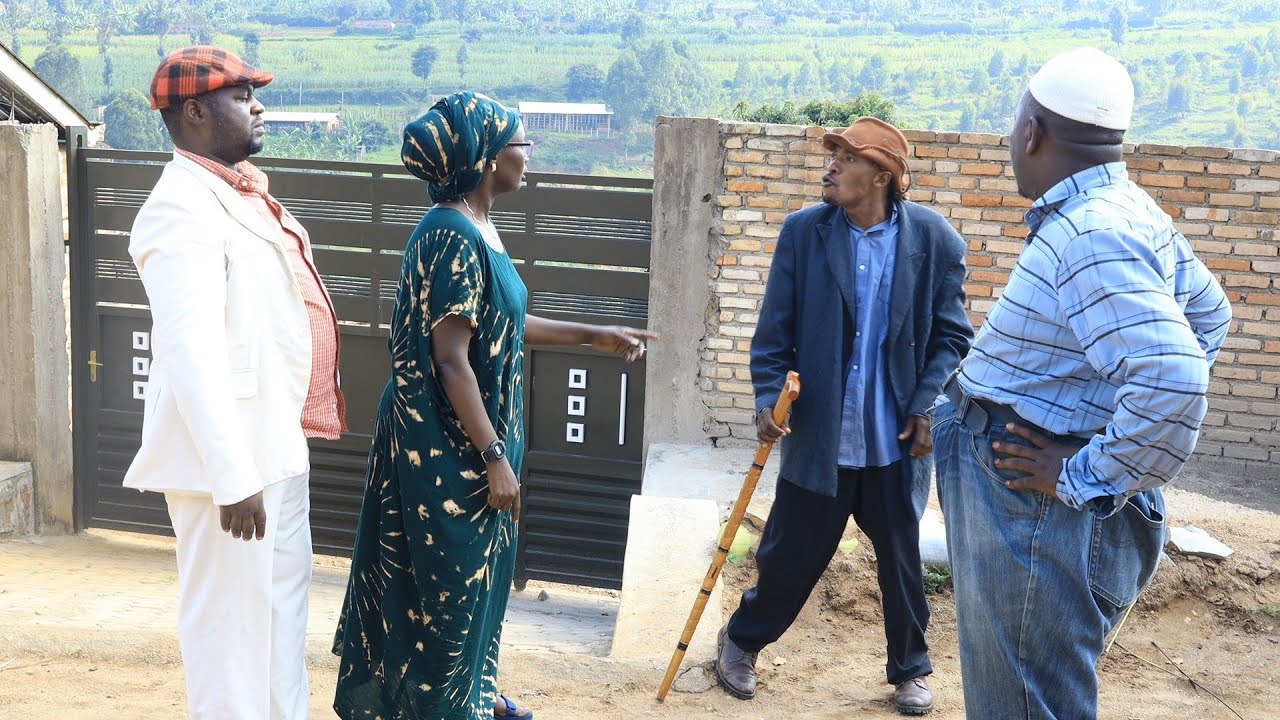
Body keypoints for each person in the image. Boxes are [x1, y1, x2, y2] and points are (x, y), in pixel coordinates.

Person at [331, 92, 655, 720]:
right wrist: (494, 455)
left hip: (470, 448)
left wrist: (593, 334)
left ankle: (473, 698)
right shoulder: (450, 233)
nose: (528, 154)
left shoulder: (477, 226)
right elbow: (451, 360)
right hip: (446, 454)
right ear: (486, 158)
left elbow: (502, 323)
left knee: (476, 588)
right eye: (520, 142)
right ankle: (447, 708)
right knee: (445, 597)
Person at [933, 47, 1232, 719]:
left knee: (1023, 705)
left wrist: (1084, 471)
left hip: (1031, 508)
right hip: (1034, 498)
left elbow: (1173, 379)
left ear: (1030, 132)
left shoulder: (1089, 233)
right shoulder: (1126, 209)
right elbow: (1210, 316)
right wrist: (1104, 421)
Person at [716, 117, 973, 715]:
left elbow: (953, 338)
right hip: (822, 436)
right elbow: (774, 335)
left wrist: (927, 403)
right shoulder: (805, 233)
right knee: (789, 557)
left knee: (901, 565)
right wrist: (767, 399)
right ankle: (741, 641)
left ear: (881, 176)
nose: (830, 167)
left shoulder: (935, 240)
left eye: (846, 159)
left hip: (893, 440)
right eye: (832, 155)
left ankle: (910, 669)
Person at [125, 46, 346, 718]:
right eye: (242, 96)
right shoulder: (178, 208)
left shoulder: (239, 193)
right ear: (195, 111)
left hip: (275, 448)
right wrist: (231, 476)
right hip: (232, 470)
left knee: (279, 630)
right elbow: (189, 351)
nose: (259, 107)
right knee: (230, 641)